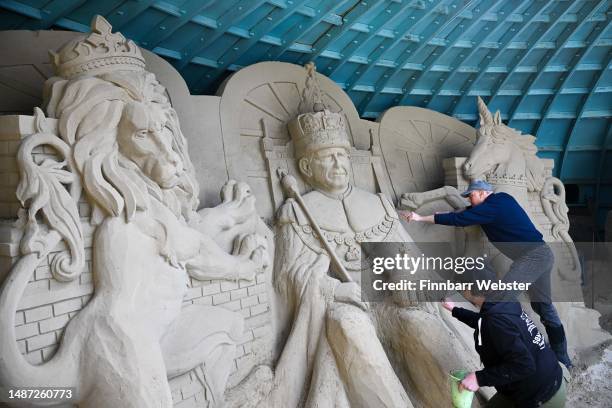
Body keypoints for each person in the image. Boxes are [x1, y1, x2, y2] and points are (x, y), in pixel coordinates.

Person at [399, 180, 572, 368]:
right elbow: (466, 213)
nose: (470, 200)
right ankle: (563, 358)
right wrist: (447, 214)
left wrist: (419, 218)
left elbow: (460, 219)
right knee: (543, 307)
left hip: (533, 258)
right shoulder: (501, 200)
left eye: (471, 195)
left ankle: (526, 354)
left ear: (482, 193)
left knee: (501, 302)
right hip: (543, 254)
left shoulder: (492, 207)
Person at [441, 292, 566, 407]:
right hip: (543, 377)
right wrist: (455, 310)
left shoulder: (496, 319)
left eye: (462, 287)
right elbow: (484, 322)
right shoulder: (503, 303)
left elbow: (524, 365)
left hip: (542, 394)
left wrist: (479, 378)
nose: (462, 291)